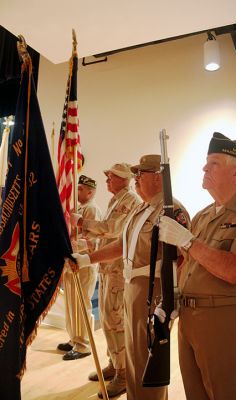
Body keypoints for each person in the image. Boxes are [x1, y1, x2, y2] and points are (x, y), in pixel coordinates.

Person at [71, 154, 190, 400]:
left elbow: (184, 259)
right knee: (134, 354)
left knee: (148, 357)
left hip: (153, 289)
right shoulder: (142, 208)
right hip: (132, 285)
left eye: (140, 174)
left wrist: (172, 299)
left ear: (158, 177)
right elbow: (123, 244)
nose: (135, 179)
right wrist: (87, 259)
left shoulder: (172, 210)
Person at [159, 132, 236, 400]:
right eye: (206, 162)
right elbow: (190, 265)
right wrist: (172, 297)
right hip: (190, 320)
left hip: (228, 321)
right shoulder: (204, 214)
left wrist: (187, 239)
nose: (204, 168)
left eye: (214, 163)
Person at [72, 162, 140, 398]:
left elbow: (112, 229)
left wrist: (82, 223)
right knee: (108, 320)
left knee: (115, 320)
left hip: (118, 270)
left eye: (111, 176)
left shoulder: (130, 200)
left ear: (124, 179)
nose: (107, 180)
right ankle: (114, 363)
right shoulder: (116, 200)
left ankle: (123, 374)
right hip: (107, 268)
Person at [57, 175, 102, 360]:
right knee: (70, 303)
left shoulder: (91, 210)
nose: (77, 191)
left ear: (90, 192)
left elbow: (94, 241)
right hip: (72, 263)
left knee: (81, 303)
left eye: (81, 188)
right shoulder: (78, 209)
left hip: (84, 264)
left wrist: (77, 244)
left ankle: (83, 344)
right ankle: (74, 338)